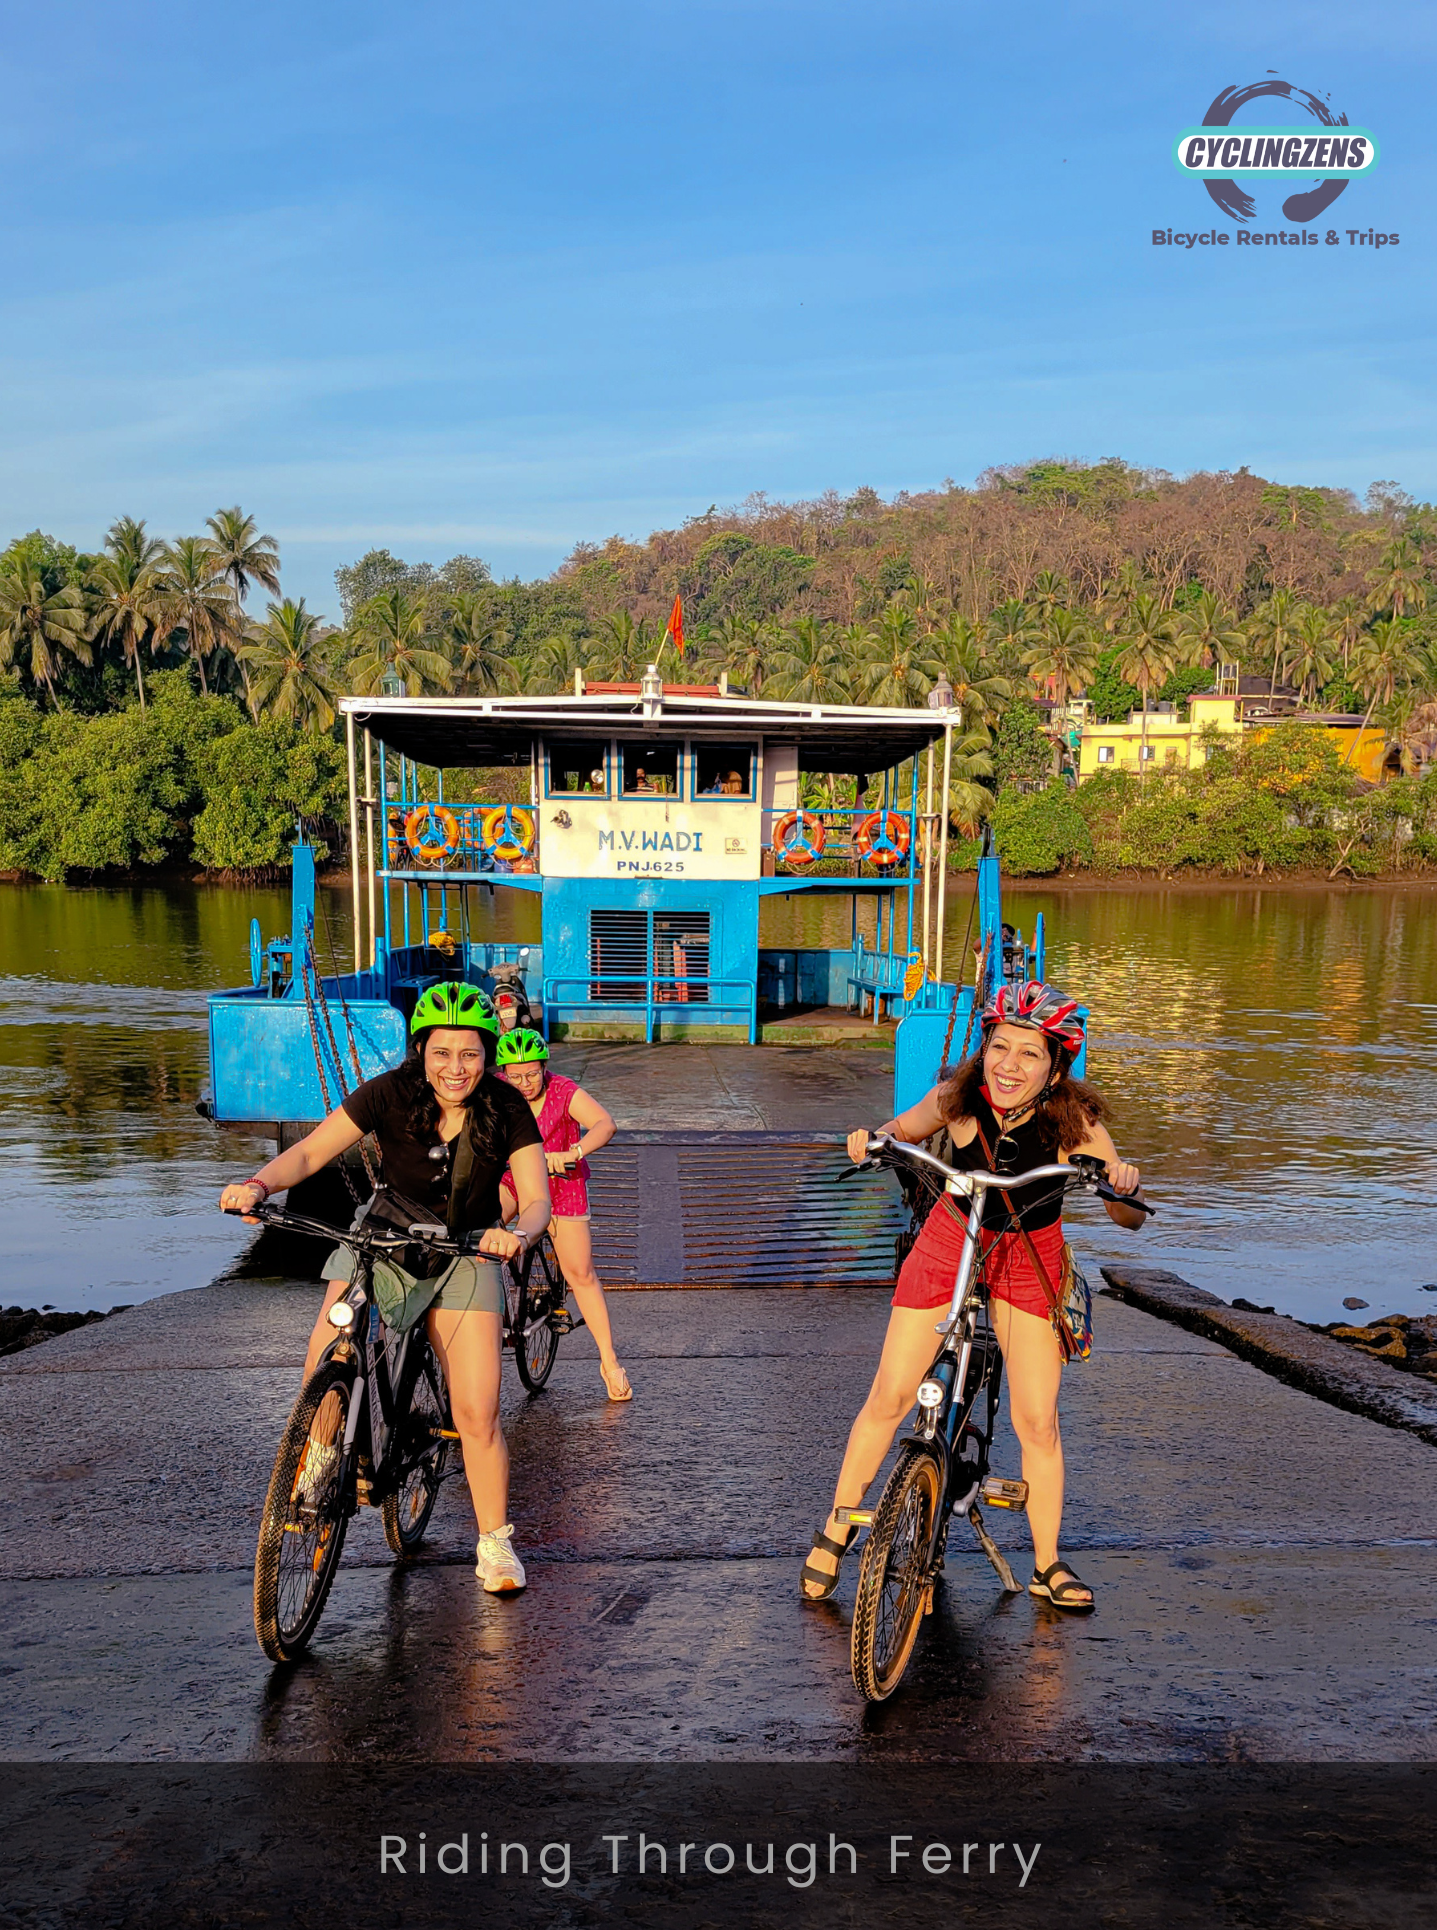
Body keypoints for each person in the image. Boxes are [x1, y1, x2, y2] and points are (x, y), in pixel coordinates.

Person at [800, 981, 1146, 1614]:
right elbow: (901, 1127)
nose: (1008, 1065)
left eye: (1029, 1054)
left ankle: (1047, 1563)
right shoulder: (959, 1098)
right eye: (999, 1047)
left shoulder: (1075, 1121)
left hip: (1030, 1255)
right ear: (984, 1047)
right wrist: (872, 1138)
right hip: (950, 1239)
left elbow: (1128, 1218)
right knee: (890, 1395)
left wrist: (1120, 1184)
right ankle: (835, 1531)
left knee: (1036, 1420)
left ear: (1057, 1065)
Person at [219, 981, 551, 1594]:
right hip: (382, 1239)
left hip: (467, 1250)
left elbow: (536, 1202)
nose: (457, 1068)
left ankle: (495, 1543)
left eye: (471, 1054)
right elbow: (312, 1154)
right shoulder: (390, 1093)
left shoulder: (507, 1108)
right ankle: (318, 1465)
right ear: (420, 1049)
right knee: (325, 1358)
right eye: (442, 1052)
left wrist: (519, 1236)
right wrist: (259, 1186)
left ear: (488, 1052)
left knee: (476, 1411)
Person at [495, 1027, 632, 1403]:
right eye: (515, 1075)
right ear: (503, 1072)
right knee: (484, 1228)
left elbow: (605, 1124)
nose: (525, 1082)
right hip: (515, 1179)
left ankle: (608, 1360)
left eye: (533, 1073)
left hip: (561, 1184)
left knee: (580, 1273)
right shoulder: (496, 1092)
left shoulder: (562, 1091)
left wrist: (574, 1152)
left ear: (545, 1068)